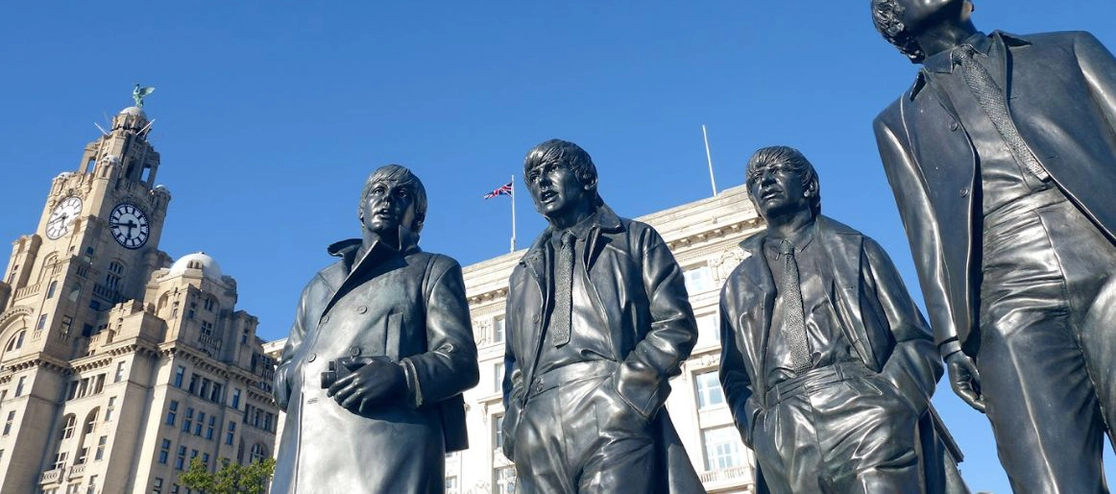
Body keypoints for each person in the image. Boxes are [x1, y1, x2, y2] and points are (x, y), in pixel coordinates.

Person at [872, 0, 1116, 491]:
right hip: (1005, 298)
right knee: (1049, 478)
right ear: (895, 20)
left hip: (1106, 254)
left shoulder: (1068, 49)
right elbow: (926, 234)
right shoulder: (897, 122)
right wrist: (951, 341)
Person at [719, 146, 961, 493]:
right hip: (784, 431)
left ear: (809, 186)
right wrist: (758, 429)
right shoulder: (737, 285)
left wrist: (894, 403)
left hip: (864, 410)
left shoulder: (857, 248)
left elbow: (914, 338)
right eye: (755, 179)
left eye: (777, 171)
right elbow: (734, 374)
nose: (765, 182)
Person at [501, 139, 702, 493]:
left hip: (610, 404)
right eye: (533, 177)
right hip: (537, 426)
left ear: (587, 178)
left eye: (552, 169)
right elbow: (514, 363)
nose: (541, 182)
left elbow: (675, 323)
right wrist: (516, 422)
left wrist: (629, 392)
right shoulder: (523, 272)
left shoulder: (635, 239)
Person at [272, 165, 479, 493]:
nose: (387, 199)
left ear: (418, 218)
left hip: (386, 453)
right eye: (378, 191)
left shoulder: (434, 270)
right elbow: (288, 365)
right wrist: (298, 376)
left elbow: (461, 360)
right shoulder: (318, 285)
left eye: (402, 195)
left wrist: (401, 375)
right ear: (361, 209)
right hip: (305, 454)